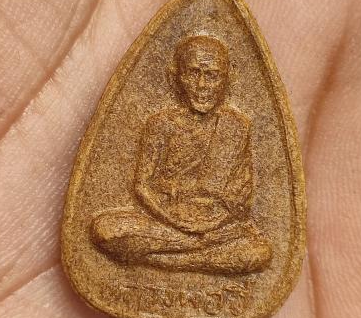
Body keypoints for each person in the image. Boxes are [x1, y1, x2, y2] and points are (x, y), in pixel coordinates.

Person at [91, 34, 273, 273]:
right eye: (193, 73)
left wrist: (209, 224)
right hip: (164, 221)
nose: (202, 86)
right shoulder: (161, 124)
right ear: (175, 77)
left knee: (260, 253)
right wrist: (177, 222)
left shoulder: (236, 127)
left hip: (218, 228)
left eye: (212, 76)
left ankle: (162, 261)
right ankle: (198, 255)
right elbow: (142, 186)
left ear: (228, 78)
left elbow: (241, 201)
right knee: (105, 230)